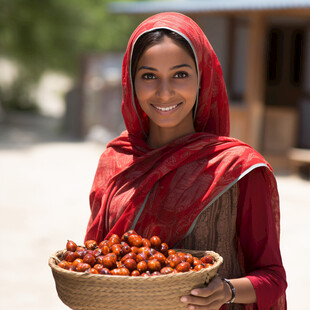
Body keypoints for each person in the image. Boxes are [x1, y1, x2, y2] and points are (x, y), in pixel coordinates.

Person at [85, 12, 287, 309]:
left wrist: (226, 291)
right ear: (131, 82)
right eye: (149, 76)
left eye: (180, 74)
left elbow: (273, 277)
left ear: (202, 78)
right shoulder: (116, 161)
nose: (164, 92)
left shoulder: (237, 169)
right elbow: (93, 264)